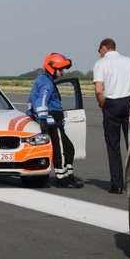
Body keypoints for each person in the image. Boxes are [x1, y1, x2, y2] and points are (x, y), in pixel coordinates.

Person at [93, 38, 130, 194]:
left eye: (99, 50)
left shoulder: (100, 64)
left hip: (112, 104)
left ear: (104, 48)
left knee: (113, 146)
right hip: (129, 103)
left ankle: (117, 184)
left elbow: (99, 90)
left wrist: (102, 104)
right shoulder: (129, 61)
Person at [27, 53, 83, 188]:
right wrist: (44, 121)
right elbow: (41, 102)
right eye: (60, 69)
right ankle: (63, 180)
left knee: (68, 148)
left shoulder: (44, 80)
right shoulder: (47, 84)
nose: (62, 72)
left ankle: (69, 176)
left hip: (54, 121)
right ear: (52, 68)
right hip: (52, 122)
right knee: (61, 151)